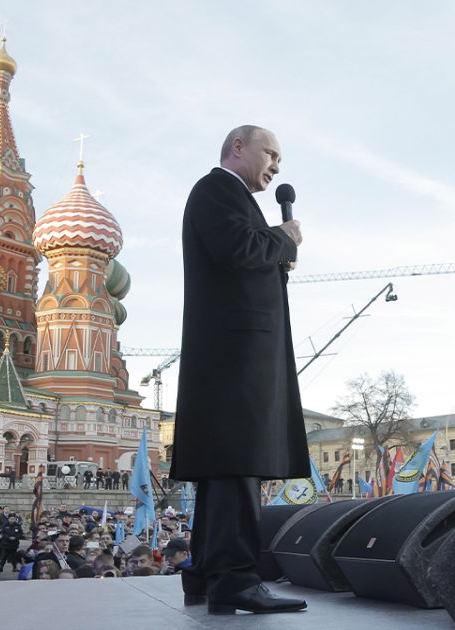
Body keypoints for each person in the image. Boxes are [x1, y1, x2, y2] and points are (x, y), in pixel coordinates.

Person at [172, 125, 307, 615]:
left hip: (232, 353)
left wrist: (273, 247)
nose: (275, 166)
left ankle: (208, 574)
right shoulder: (215, 189)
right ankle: (236, 579)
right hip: (236, 355)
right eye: (270, 153)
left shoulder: (230, 196)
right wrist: (282, 239)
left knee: (223, 469)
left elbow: (246, 252)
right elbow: (238, 249)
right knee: (236, 462)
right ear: (238, 148)